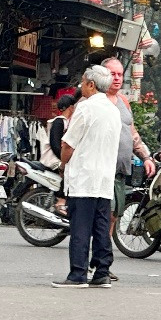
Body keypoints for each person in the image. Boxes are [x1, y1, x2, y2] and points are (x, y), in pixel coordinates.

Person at [52, 66, 121, 289]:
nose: (80, 86)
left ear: (91, 84)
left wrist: (63, 165)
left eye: (82, 81)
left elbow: (68, 144)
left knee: (80, 227)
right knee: (101, 226)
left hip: (84, 176)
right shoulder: (113, 110)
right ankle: (102, 272)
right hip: (104, 179)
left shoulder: (85, 108)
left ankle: (78, 274)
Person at [102, 57, 156, 240]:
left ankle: (102, 256)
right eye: (112, 74)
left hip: (119, 171)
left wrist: (146, 157)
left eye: (120, 74)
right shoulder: (94, 101)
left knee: (114, 215)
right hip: (100, 170)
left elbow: (132, 134)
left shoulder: (123, 101)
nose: (117, 78)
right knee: (104, 214)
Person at [44, 93, 77, 216]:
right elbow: (54, 144)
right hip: (55, 159)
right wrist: (63, 160)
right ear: (71, 107)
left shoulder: (65, 122)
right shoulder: (59, 121)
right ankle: (60, 201)